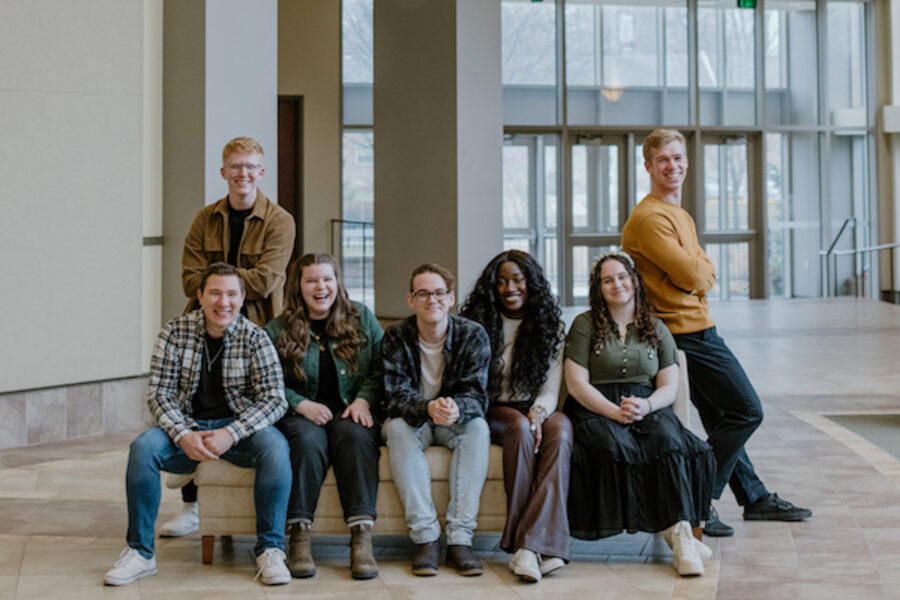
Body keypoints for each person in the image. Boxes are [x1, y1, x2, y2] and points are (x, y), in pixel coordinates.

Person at [622, 128, 812, 536]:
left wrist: (698, 273)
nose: (672, 166)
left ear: (687, 162)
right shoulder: (651, 218)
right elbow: (696, 272)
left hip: (696, 326)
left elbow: (698, 272)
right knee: (747, 411)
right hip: (685, 333)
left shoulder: (679, 214)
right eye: (663, 160)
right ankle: (700, 496)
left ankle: (755, 498)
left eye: (678, 158)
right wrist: (698, 273)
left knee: (722, 417)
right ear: (648, 165)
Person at [104, 263, 291, 587]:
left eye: (232, 294)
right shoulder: (174, 332)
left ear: (242, 297)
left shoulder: (255, 337)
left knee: (276, 448)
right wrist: (182, 434)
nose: (224, 302)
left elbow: (275, 399)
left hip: (237, 430)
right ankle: (141, 553)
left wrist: (230, 434)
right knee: (143, 448)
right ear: (200, 295)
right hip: (187, 426)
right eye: (215, 293)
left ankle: (270, 549)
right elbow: (159, 393)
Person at [165, 136, 296, 538]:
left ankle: (248, 506)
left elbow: (268, 279)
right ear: (223, 172)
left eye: (250, 166)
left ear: (261, 172)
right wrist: (230, 288)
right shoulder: (205, 218)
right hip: (202, 326)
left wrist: (217, 286)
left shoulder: (279, 221)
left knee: (248, 408)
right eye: (235, 166)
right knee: (192, 400)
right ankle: (192, 506)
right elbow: (188, 278)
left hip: (256, 329)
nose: (242, 173)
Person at [563, 251, 716, 576]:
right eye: (607, 280)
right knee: (615, 445)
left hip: (648, 403)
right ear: (598, 288)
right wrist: (613, 412)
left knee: (668, 441)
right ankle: (672, 530)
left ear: (633, 280)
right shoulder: (584, 325)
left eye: (622, 277)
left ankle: (681, 534)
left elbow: (670, 385)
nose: (616, 284)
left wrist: (646, 406)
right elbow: (576, 385)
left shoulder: (657, 327)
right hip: (595, 405)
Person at [265, 253, 383, 580]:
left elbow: (381, 368)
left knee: (355, 437)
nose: (321, 287)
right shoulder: (278, 328)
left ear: (337, 283)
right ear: (298, 286)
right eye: (312, 280)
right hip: (301, 412)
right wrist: (300, 404)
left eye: (327, 279)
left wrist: (363, 400)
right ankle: (299, 535)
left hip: (350, 408)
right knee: (306, 441)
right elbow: (267, 382)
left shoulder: (362, 318)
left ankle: (361, 537)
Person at [459, 250, 572, 583]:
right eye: (502, 281)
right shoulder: (476, 324)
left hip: (534, 406)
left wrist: (538, 413)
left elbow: (551, 391)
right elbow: (475, 388)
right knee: (519, 428)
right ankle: (527, 543)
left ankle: (530, 546)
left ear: (531, 283)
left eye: (518, 280)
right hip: (492, 408)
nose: (510, 288)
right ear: (492, 286)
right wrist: (528, 419)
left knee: (562, 430)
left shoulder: (549, 326)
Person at [381, 264, 491, 577]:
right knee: (398, 430)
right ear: (411, 299)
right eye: (423, 293)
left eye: (439, 292)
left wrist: (456, 408)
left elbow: (479, 396)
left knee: (478, 427)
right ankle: (425, 539)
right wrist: (428, 408)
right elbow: (393, 397)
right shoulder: (396, 337)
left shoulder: (473, 334)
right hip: (413, 419)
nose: (433, 299)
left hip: (454, 419)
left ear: (451, 297)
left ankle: (459, 541)